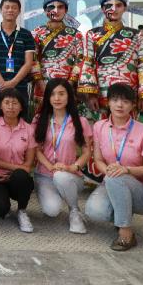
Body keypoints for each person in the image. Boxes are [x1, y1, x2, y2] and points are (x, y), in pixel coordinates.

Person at [84, 83, 143, 250]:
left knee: (117, 177)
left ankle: (126, 233)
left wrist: (126, 170)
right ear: (108, 102)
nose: (119, 105)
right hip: (111, 181)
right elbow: (98, 159)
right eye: (115, 100)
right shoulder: (99, 127)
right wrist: (108, 171)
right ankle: (123, 211)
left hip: (142, 193)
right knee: (94, 211)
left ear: (132, 105)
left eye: (125, 101)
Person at [78, 0, 143, 116]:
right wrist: (90, 95)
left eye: (119, 5)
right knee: (103, 128)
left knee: (130, 128)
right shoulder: (92, 35)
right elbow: (87, 64)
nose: (114, 9)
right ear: (102, 8)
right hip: (102, 96)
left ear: (125, 8)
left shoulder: (137, 35)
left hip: (129, 96)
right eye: (109, 5)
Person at [33, 78, 92, 234]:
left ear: (69, 96)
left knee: (61, 177)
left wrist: (73, 167)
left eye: (61, 94)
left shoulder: (80, 121)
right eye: (52, 94)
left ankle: (74, 210)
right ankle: (48, 192)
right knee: (52, 210)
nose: (57, 98)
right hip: (45, 175)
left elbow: (87, 152)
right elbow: (36, 150)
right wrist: (50, 166)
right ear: (47, 97)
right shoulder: (39, 120)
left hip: (70, 175)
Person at [0, 88, 36, 233]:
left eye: (15, 103)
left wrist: (18, 170)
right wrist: (15, 167)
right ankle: (2, 201)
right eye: (6, 102)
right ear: (0, 105)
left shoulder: (29, 129)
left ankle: (22, 211)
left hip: (18, 178)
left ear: (21, 107)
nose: (10, 107)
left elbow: (29, 163)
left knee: (21, 176)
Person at [0, 0, 36, 120]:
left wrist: (13, 82)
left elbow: (28, 63)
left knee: (20, 121)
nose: (10, 10)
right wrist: (2, 82)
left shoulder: (26, 34)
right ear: (0, 10)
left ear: (19, 11)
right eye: (7, 7)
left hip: (20, 85)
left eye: (14, 7)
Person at [30, 0, 83, 109]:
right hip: (42, 87)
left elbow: (79, 61)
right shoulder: (36, 33)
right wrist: (42, 85)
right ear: (45, 10)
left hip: (68, 88)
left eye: (60, 7)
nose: (56, 10)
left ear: (66, 10)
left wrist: (69, 84)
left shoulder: (76, 34)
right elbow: (33, 61)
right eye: (51, 7)